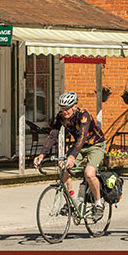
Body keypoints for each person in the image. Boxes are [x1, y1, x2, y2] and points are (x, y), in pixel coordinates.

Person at [34, 91, 106, 221]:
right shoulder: (61, 117)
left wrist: (72, 157)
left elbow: (81, 137)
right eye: (62, 109)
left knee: (89, 173)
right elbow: (53, 135)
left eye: (67, 109)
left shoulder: (83, 115)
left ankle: (98, 203)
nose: (65, 112)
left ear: (74, 106)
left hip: (95, 144)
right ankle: (72, 201)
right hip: (79, 146)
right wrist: (41, 154)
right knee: (62, 167)